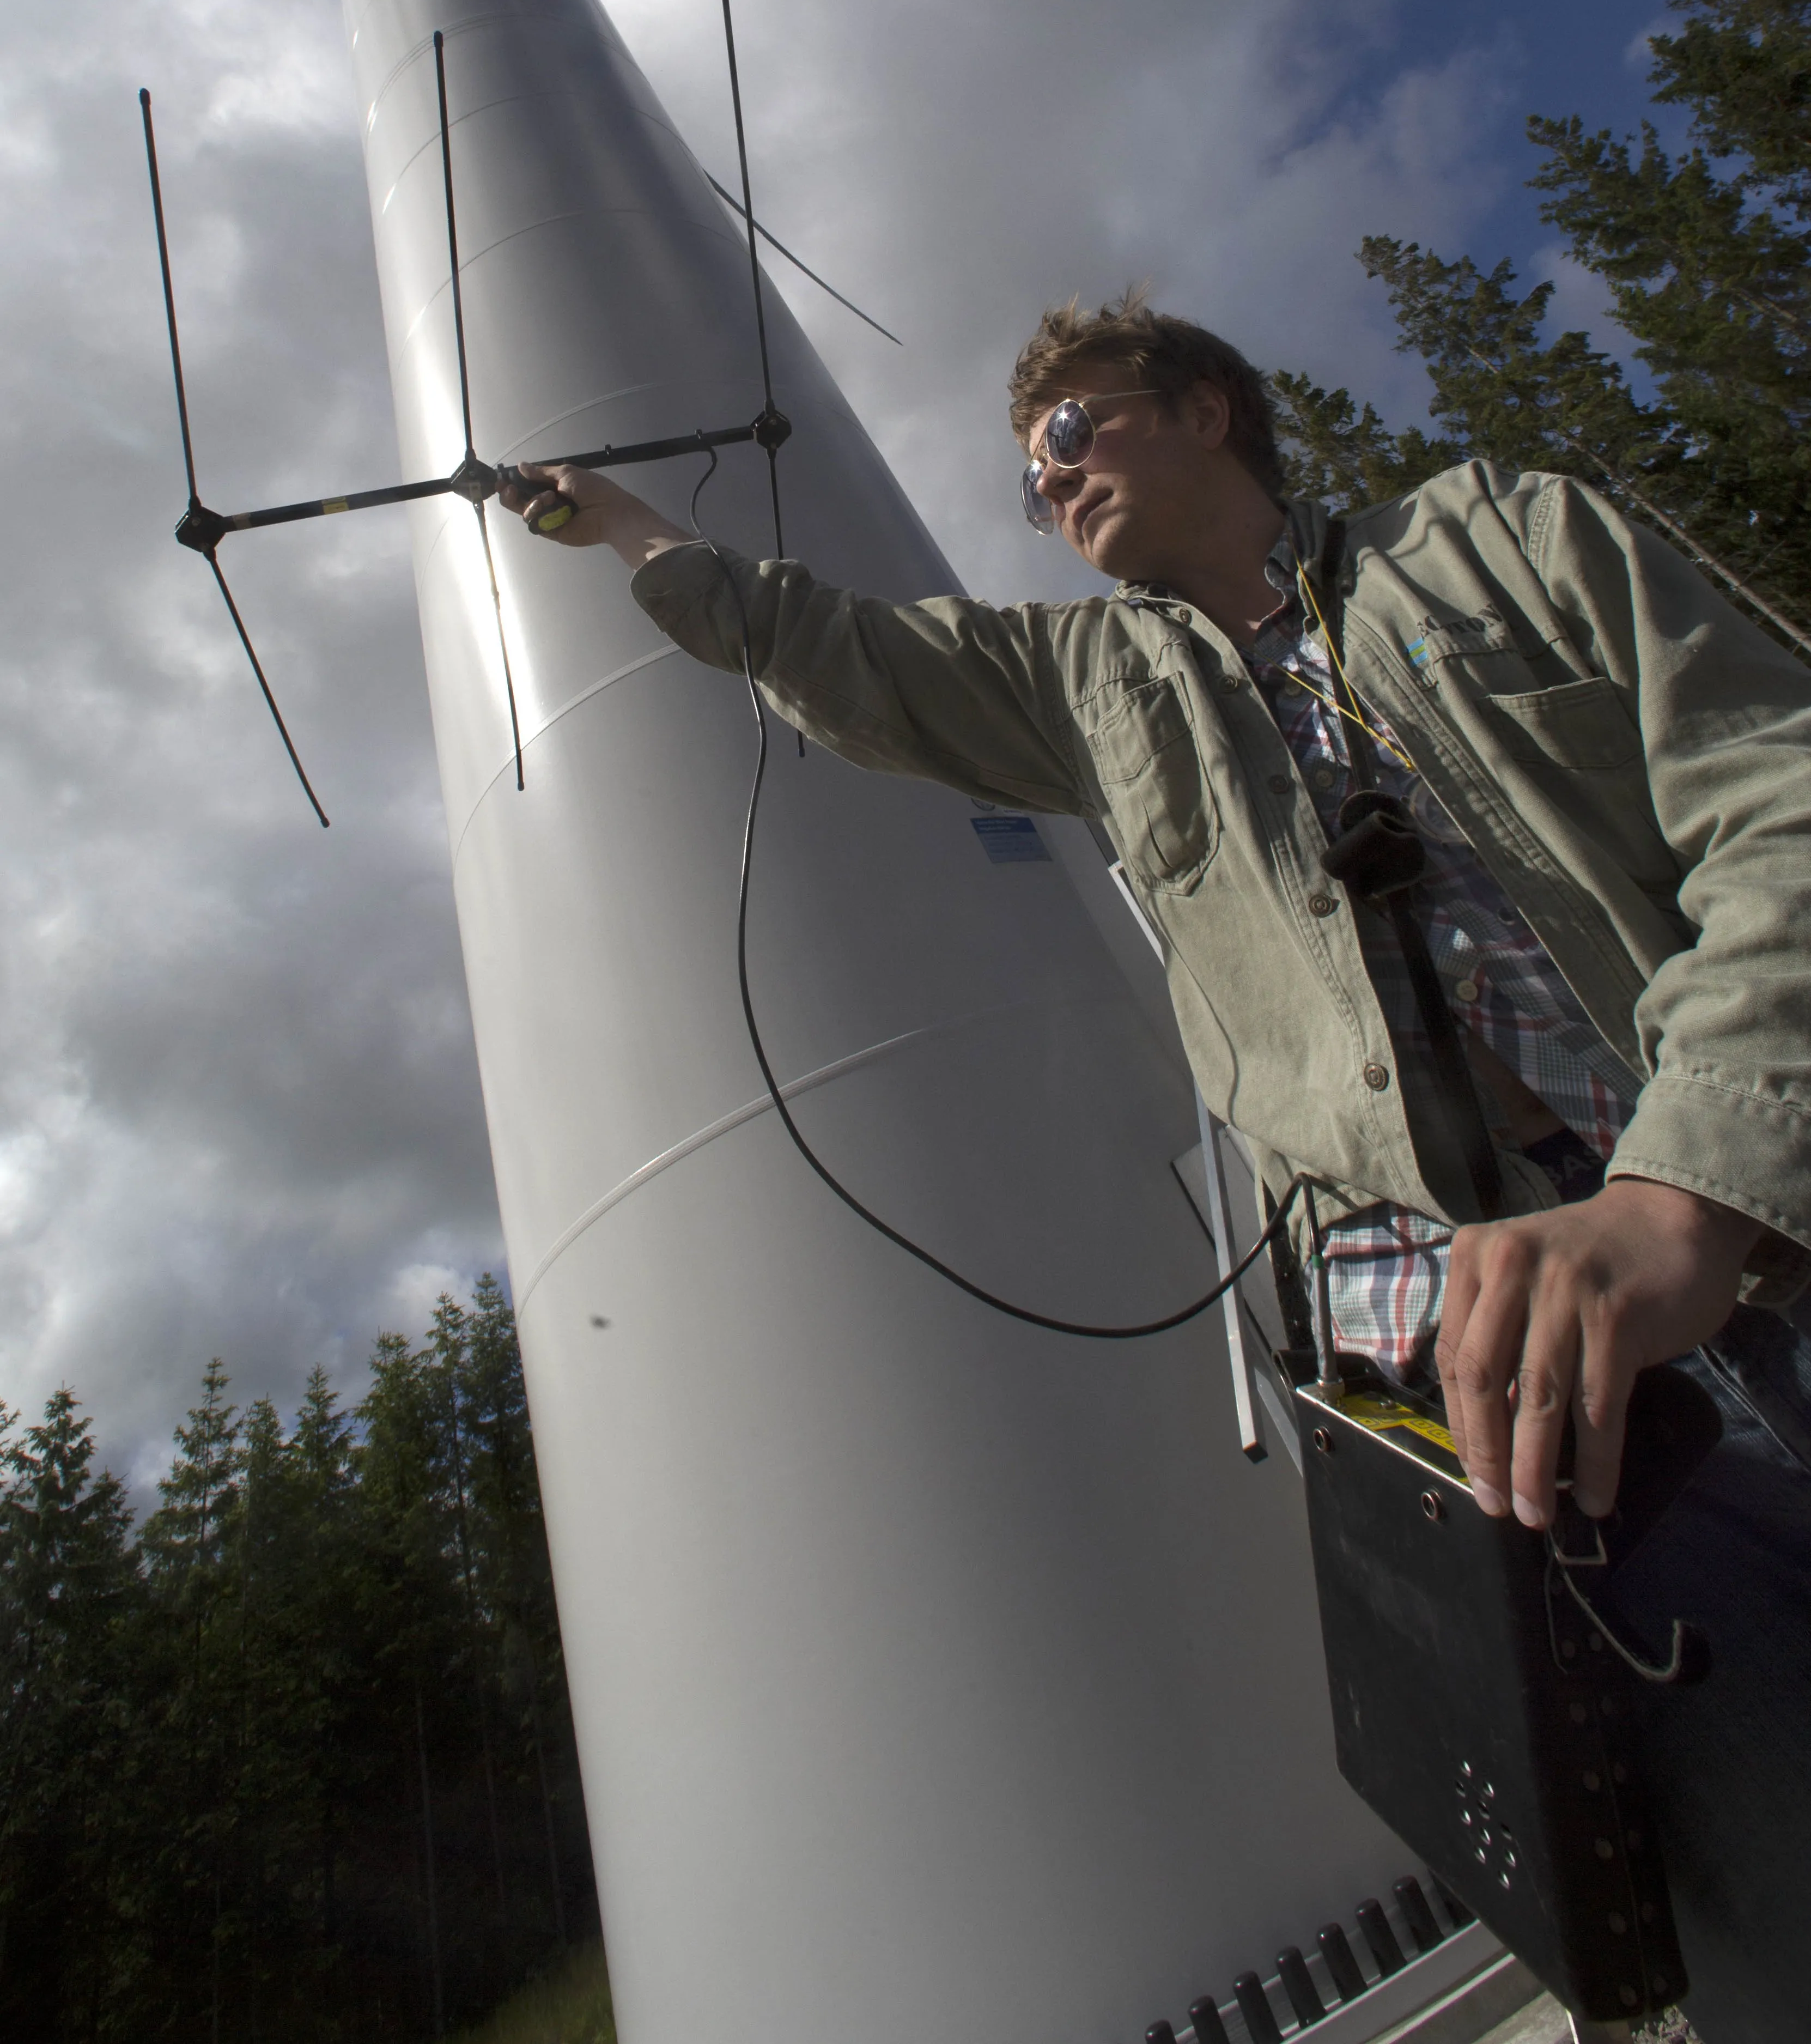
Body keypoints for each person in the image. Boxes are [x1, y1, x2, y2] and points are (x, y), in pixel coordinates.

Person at [504, 290, 1811, 2035]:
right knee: (1749, 1878)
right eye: (1030, 483)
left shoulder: (1503, 538)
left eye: (1072, 435)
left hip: (1758, 1220)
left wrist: (1689, 1186)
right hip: (1491, 1380)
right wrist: (629, 526)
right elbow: (829, 649)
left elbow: (1780, 797)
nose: (1050, 490)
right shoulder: (1090, 687)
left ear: (1205, 407)